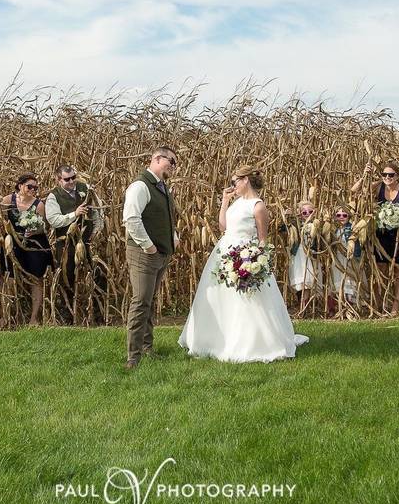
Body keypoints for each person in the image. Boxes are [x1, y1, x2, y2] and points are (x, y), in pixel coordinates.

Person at [178, 165, 308, 363]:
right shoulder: (236, 203)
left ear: (245, 180)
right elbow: (223, 227)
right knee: (219, 298)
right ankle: (215, 340)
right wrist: (224, 202)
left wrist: (255, 261)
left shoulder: (258, 206)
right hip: (224, 254)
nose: (233, 186)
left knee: (248, 302)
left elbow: (262, 238)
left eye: (235, 182)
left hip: (245, 256)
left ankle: (253, 342)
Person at [122, 147, 179, 369]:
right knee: (140, 302)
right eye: (170, 161)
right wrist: (149, 247)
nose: (173, 167)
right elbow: (132, 219)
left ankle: (147, 347)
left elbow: (166, 216)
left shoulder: (161, 187)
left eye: (174, 164)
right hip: (144, 253)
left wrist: (173, 236)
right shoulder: (140, 186)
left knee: (149, 302)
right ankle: (133, 357)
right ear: (156, 158)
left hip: (160, 252)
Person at [45, 165, 106, 325]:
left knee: (97, 274)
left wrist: (97, 229)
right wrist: (74, 214)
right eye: (67, 179)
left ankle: (98, 314)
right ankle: (68, 314)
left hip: (87, 241)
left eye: (73, 177)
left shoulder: (85, 188)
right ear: (58, 180)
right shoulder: (53, 197)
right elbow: (54, 220)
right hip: (66, 244)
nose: (72, 181)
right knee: (67, 277)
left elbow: (96, 211)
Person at [352, 161, 399, 314]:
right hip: (380, 236)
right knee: (380, 270)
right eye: (384, 174)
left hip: (398, 236)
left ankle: (395, 307)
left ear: (397, 176)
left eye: (391, 175)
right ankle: (380, 305)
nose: (387, 177)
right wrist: (366, 175)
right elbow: (355, 191)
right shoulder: (378, 186)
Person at [1, 172, 52, 325]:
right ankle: (6, 316)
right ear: (20, 185)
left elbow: (44, 228)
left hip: (34, 244)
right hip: (12, 243)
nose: (33, 190)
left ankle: (34, 319)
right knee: (8, 278)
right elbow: (0, 220)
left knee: (36, 279)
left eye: (36, 188)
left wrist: (34, 230)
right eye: (30, 187)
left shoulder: (39, 205)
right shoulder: (7, 200)